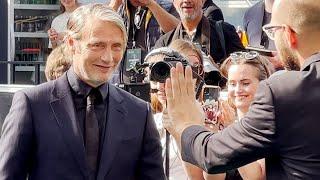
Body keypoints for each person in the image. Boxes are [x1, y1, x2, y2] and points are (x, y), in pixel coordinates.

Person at [0, 4, 165, 180]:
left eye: (116, 46)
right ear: (72, 44)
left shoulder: (139, 113)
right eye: (97, 45)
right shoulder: (32, 104)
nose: (108, 58)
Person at [162, 0, 320, 179]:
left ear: (289, 34)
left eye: (273, 31)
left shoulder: (280, 92)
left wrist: (185, 124)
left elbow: (211, 155)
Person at [219, 51, 274, 180]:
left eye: (245, 83)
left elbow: (256, 177)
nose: (238, 90)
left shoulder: (269, 126)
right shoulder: (223, 120)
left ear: (263, 84)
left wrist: (231, 130)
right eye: (232, 83)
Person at [109, 0, 179, 84]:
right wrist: (115, 4)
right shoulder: (115, 10)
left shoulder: (167, 6)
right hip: (120, 84)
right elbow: (97, 30)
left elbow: (178, 33)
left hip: (156, 84)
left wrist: (151, 4)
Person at [154, 0, 244, 65]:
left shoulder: (224, 32)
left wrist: (220, 69)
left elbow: (246, 67)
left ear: (203, 1)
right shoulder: (165, 42)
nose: (187, 1)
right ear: (174, 2)